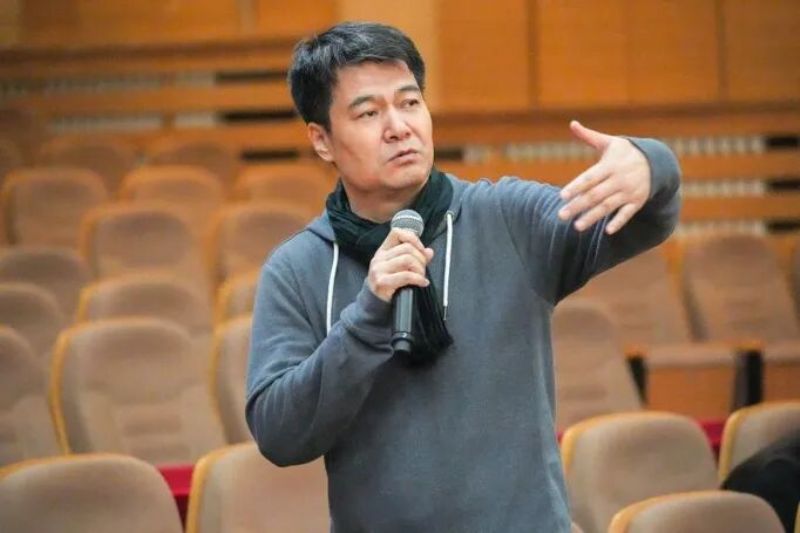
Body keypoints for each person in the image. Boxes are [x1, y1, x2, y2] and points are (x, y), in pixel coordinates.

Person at [246, 21, 681, 532]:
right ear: (322, 140)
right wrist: (365, 318)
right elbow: (279, 434)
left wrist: (651, 166)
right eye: (368, 113)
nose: (398, 127)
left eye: (410, 103)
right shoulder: (297, 268)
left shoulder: (507, 217)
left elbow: (640, 221)